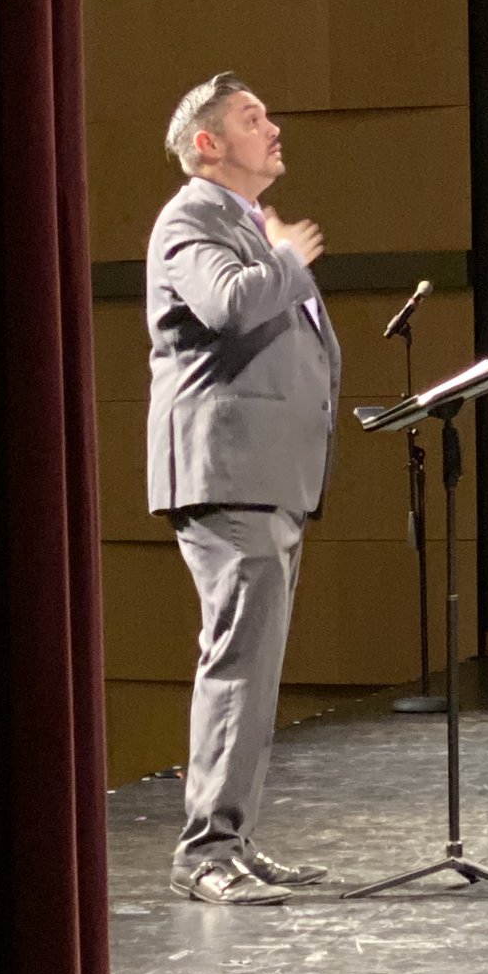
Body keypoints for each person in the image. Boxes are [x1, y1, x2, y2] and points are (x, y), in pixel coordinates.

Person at [146, 72, 342, 905]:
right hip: (227, 472)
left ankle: (235, 839)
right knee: (235, 664)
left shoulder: (246, 223)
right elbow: (228, 305)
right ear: (208, 143)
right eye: (252, 117)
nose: (274, 126)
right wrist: (286, 258)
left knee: (255, 670)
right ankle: (206, 853)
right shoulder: (191, 217)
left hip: (269, 476)